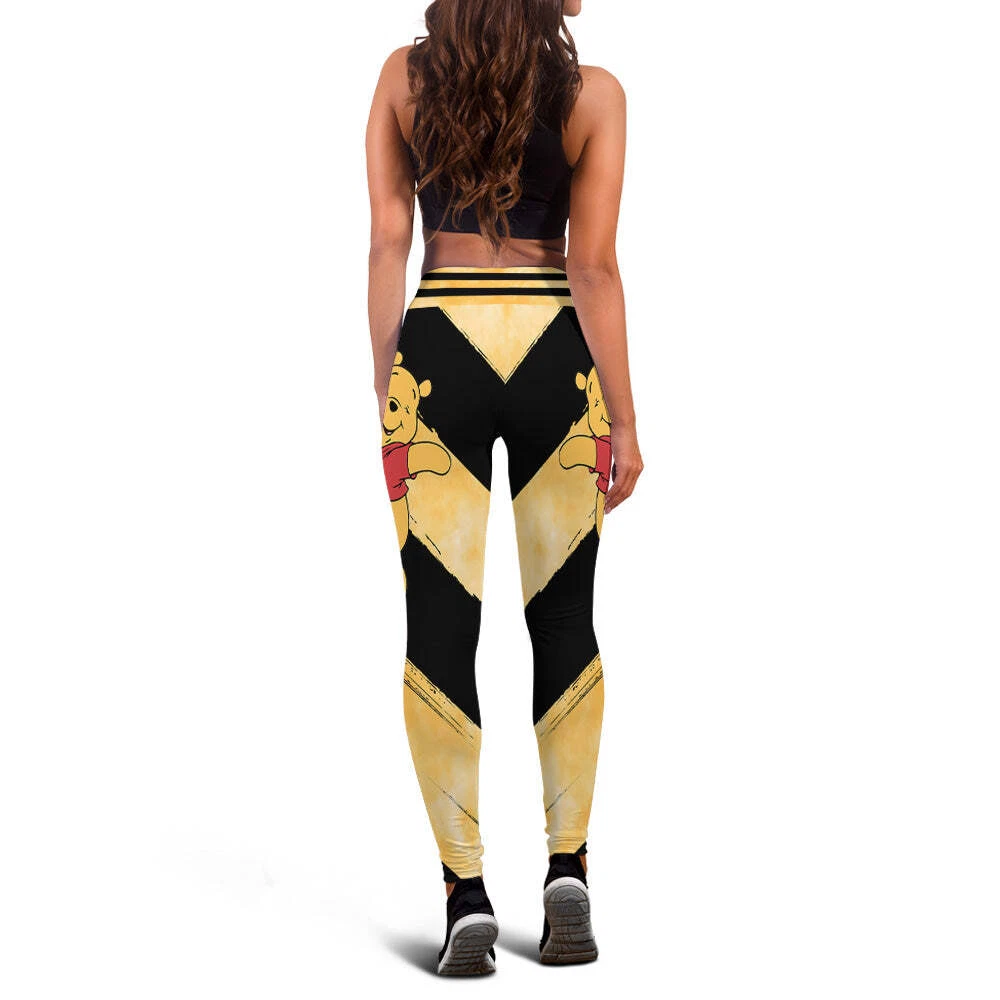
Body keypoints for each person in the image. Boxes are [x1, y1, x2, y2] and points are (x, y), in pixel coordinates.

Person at [365, 0, 643, 975]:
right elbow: (593, 269)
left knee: (439, 626)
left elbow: (387, 243)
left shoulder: (403, 79)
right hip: (553, 353)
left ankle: (464, 894)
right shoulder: (593, 96)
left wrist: (393, 387)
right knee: (564, 619)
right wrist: (625, 419)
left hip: (439, 344)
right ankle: (568, 871)